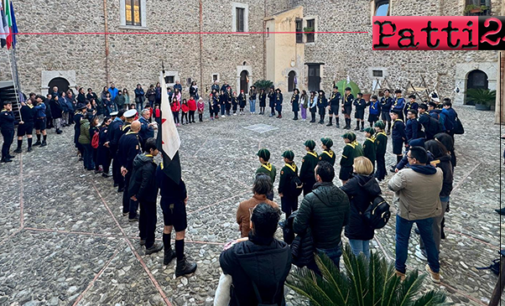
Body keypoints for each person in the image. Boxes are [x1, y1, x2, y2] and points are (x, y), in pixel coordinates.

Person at [388, 146, 443, 283]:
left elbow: (391, 186)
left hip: (407, 212)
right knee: (429, 240)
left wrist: (401, 171)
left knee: (402, 240)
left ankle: (400, 271)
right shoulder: (438, 172)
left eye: (408, 157)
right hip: (428, 212)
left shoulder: (405, 174)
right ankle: (435, 270)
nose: (407, 159)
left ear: (414, 161)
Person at [220, 203, 291, 306]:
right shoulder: (285, 251)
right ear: (275, 227)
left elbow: (223, 261)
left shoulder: (235, 253)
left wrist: (238, 243)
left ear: (251, 225)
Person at [294, 161, 350, 271]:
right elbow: (346, 221)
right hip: (335, 245)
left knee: (316, 282)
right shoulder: (343, 196)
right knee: (334, 282)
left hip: (316, 248)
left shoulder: (310, 198)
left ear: (318, 177)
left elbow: (298, 227)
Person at [156, 165, 197, 276]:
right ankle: (181, 265)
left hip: (165, 200)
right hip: (175, 203)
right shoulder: (172, 167)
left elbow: (157, 181)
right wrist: (184, 196)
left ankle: (167, 253)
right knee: (180, 233)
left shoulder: (160, 166)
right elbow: (179, 184)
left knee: (167, 226)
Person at [416, 140, 453, 261]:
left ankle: (431, 252)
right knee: (431, 224)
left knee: (432, 226)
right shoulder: (446, 160)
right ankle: (426, 248)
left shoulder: (438, 164)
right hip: (442, 196)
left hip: (437, 197)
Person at [341, 157, 381, 259]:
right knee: (365, 250)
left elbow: (339, 192)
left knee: (356, 253)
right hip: (368, 221)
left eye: (355, 164)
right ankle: (367, 273)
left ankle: (359, 274)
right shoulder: (372, 181)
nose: (353, 166)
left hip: (356, 221)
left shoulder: (355, 182)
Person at [128, 138, 163, 254]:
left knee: (143, 216)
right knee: (150, 219)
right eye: (157, 149)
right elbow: (145, 183)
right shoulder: (149, 165)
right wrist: (138, 196)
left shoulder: (140, 159)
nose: (158, 151)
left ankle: (142, 236)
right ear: (151, 150)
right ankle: (150, 244)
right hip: (148, 196)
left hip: (142, 196)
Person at [119, 118, 141, 222]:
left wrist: (122, 166)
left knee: (127, 187)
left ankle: (125, 208)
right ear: (139, 128)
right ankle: (132, 212)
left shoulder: (124, 136)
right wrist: (127, 167)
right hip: (132, 168)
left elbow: (120, 152)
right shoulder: (134, 139)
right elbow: (133, 156)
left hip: (125, 166)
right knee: (133, 189)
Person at [278, 150, 299, 220]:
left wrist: (280, 191)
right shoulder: (295, 167)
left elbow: (282, 182)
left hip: (287, 192)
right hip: (294, 190)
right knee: (294, 206)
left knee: (287, 208)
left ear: (286, 159)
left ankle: (288, 222)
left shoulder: (285, 169)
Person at [107, 110, 125, 190]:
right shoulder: (119, 125)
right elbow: (116, 139)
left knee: (115, 164)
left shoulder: (112, 123)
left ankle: (116, 180)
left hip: (113, 147)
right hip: (117, 148)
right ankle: (118, 181)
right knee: (118, 165)